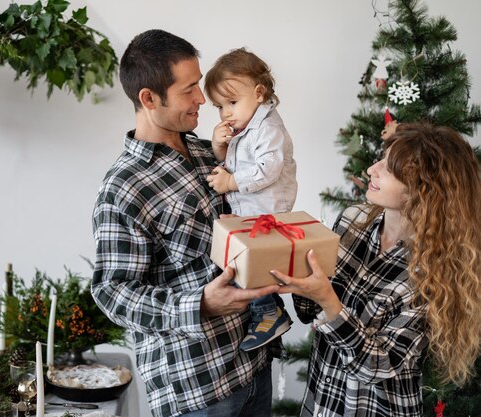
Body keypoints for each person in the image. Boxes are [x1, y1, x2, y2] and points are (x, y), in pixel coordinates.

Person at [91, 29, 280, 417]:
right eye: (189, 89)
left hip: (253, 365)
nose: (202, 99)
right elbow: (112, 292)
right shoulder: (123, 188)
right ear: (148, 98)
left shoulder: (207, 149)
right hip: (199, 391)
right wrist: (201, 305)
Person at [270, 123, 481, 417]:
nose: (371, 170)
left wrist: (329, 300)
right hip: (322, 402)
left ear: (424, 189)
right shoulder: (352, 221)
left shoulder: (434, 271)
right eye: (381, 159)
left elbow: (378, 366)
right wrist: (291, 267)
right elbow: (309, 311)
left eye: (389, 169)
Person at [204, 48, 298, 351]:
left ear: (258, 93)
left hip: (266, 210)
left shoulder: (268, 128)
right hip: (249, 209)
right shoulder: (245, 128)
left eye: (232, 102)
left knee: (250, 263)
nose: (226, 112)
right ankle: (266, 310)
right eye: (219, 106)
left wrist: (230, 181)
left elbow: (267, 170)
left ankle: (269, 312)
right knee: (237, 259)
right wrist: (220, 147)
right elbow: (233, 162)